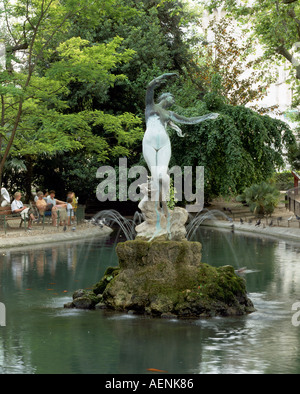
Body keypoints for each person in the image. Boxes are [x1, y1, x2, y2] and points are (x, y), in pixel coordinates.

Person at [143, 73, 218, 239]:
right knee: (155, 178)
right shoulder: (151, 107)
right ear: (164, 96)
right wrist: (160, 78)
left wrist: (207, 116)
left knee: (164, 177)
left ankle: (166, 211)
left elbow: (189, 120)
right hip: (149, 143)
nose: (173, 100)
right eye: (172, 97)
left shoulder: (169, 114)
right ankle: (157, 220)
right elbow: (149, 88)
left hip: (164, 143)